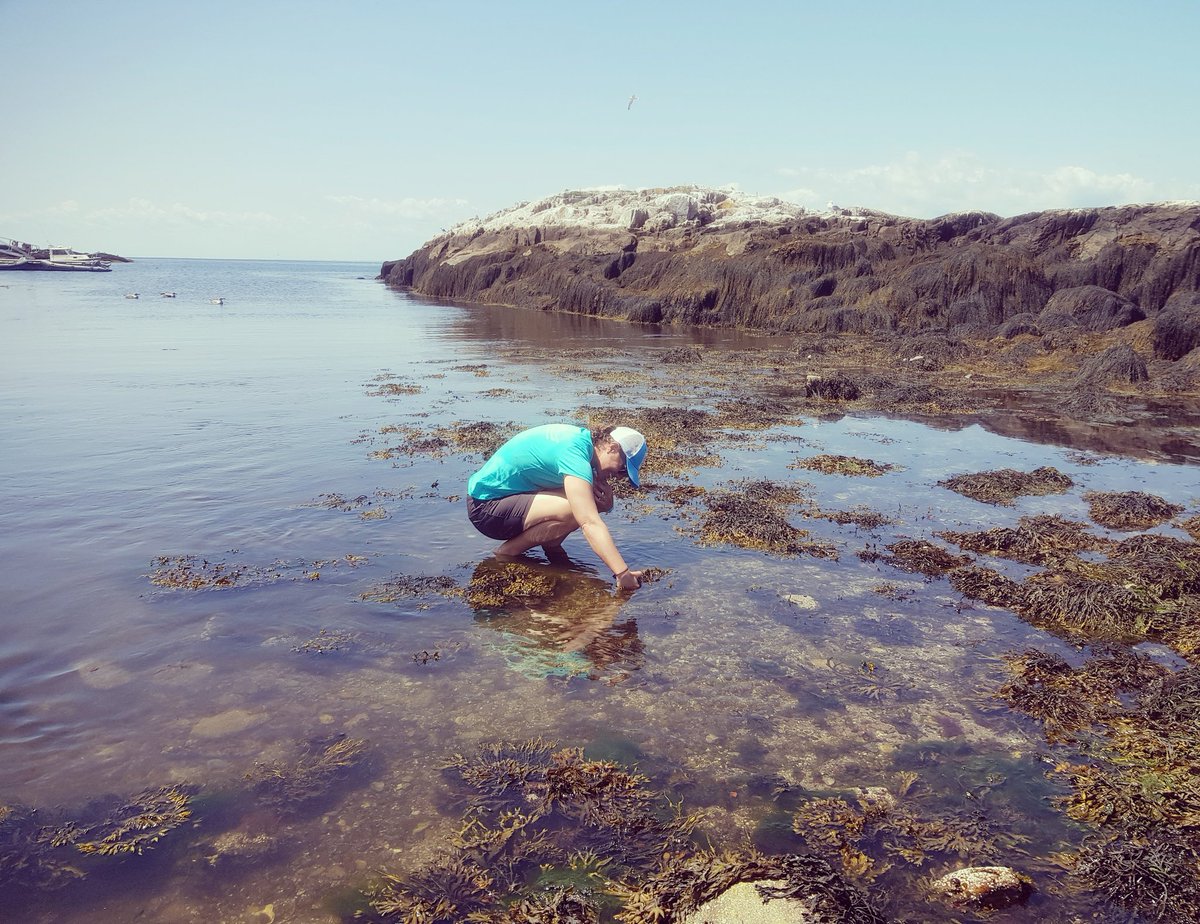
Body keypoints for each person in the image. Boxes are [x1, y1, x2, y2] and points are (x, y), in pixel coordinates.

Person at [466, 423, 648, 590]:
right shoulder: (574, 453)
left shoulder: (582, 445)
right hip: (486, 508)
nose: (617, 476)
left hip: (502, 501)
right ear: (612, 447)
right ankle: (506, 553)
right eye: (622, 469)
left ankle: (551, 547)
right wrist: (622, 573)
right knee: (578, 509)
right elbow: (589, 522)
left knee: (584, 500)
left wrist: (606, 505)